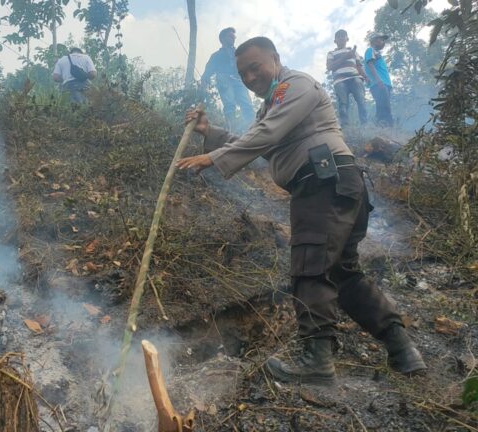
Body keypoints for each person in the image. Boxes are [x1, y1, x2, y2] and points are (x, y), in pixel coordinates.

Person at [176, 37, 426, 385]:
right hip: (336, 185)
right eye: (242, 73)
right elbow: (259, 139)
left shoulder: (296, 85)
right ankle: (403, 351)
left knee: (309, 268)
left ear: (275, 59)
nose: (249, 77)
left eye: (255, 66)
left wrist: (212, 157)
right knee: (344, 275)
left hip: (323, 184)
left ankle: (317, 363)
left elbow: (266, 134)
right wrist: (210, 133)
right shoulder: (273, 107)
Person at [201, 27, 255, 133]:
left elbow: (247, 67)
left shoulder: (239, 54)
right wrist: (204, 80)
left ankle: (252, 128)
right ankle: (232, 130)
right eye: (230, 36)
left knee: (247, 104)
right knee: (230, 105)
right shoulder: (216, 55)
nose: (233, 38)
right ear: (222, 39)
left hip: (239, 81)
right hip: (224, 80)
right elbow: (209, 69)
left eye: (234, 36)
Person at [326, 29, 368, 127]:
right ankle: (346, 129)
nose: (341, 38)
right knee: (343, 105)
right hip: (340, 81)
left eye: (343, 36)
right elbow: (330, 67)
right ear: (335, 40)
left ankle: (365, 126)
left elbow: (359, 66)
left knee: (362, 102)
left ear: (347, 39)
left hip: (355, 78)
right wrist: (346, 56)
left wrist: (365, 76)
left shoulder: (352, 51)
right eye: (338, 36)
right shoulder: (331, 53)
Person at [365, 32, 393, 127]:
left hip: (385, 84)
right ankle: (384, 128)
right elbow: (370, 65)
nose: (382, 42)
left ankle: (384, 128)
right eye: (381, 39)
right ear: (374, 41)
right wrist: (379, 80)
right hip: (379, 84)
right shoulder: (370, 50)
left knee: (385, 107)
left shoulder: (378, 54)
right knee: (383, 107)